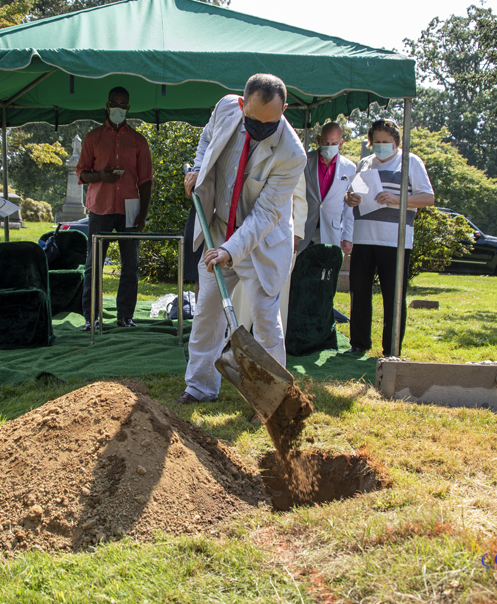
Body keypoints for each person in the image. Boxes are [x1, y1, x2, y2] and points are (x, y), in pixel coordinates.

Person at [175, 73, 307, 405]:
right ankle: (200, 387)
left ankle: (272, 399)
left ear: (284, 109)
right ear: (241, 104)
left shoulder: (293, 154)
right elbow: (207, 139)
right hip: (219, 226)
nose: (261, 131)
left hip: (261, 241)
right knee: (207, 309)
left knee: (264, 319)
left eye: (270, 124)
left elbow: (265, 215)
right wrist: (197, 168)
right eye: (254, 122)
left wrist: (229, 251)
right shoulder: (225, 109)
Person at [345, 119, 434, 357]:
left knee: (393, 297)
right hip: (363, 237)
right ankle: (358, 344)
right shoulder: (365, 162)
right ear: (370, 141)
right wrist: (349, 198)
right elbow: (353, 193)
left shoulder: (410, 161)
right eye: (377, 142)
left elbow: (428, 198)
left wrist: (396, 199)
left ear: (396, 142)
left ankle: (391, 349)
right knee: (359, 292)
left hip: (395, 240)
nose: (381, 146)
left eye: (386, 142)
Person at [77, 86, 153, 330]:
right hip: (100, 207)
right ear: (107, 105)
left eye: (123, 104)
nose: (118, 108)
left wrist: (143, 212)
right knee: (94, 264)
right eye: (114, 103)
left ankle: (125, 317)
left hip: (130, 208)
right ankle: (92, 318)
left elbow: (146, 180)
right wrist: (100, 175)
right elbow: (81, 173)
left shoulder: (138, 141)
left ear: (128, 108)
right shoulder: (93, 138)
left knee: (130, 264)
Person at [298, 121, 355, 257]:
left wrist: (347, 236)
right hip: (303, 229)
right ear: (318, 140)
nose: (329, 147)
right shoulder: (304, 161)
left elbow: (349, 207)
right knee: (297, 273)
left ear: (341, 144)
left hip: (331, 231)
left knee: (326, 275)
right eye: (325, 142)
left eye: (334, 143)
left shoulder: (350, 168)